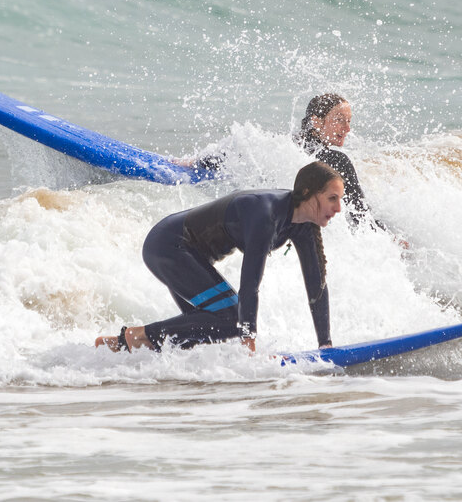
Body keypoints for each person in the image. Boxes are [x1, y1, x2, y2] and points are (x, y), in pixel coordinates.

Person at [95, 162, 342, 353]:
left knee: (209, 332)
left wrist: (325, 345)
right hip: (168, 245)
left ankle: (118, 350)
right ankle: (134, 337)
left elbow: (316, 286)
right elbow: (250, 285)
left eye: (340, 199)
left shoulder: (304, 226)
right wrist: (250, 342)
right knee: (233, 319)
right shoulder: (266, 215)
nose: (338, 208)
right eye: (332, 198)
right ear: (309, 193)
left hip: (189, 255)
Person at [295, 93, 388, 230]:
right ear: (317, 122)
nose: (347, 128)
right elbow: (360, 216)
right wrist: (390, 240)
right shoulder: (337, 161)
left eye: (349, 121)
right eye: (340, 120)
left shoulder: (292, 149)